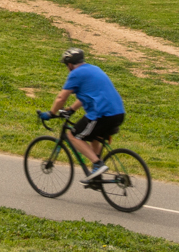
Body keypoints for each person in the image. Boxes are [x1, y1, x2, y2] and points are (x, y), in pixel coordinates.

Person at [42, 47, 125, 183]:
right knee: (94, 138)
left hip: (102, 114)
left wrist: (51, 113)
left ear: (69, 64)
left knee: (73, 136)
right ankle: (96, 176)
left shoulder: (76, 74)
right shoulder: (94, 69)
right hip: (118, 113)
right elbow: (87, 94)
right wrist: (71, 110)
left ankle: (98, 164)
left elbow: (61, 98)